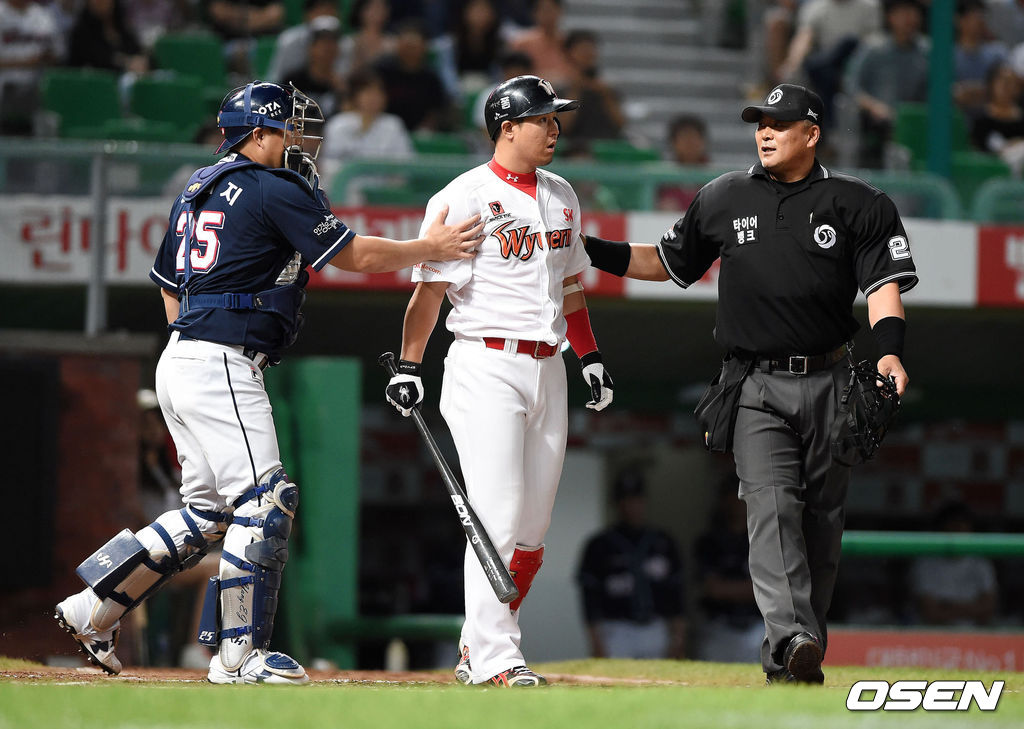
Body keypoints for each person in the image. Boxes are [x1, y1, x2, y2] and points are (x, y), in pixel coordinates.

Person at [54, 80, 484, 685]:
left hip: (182, 355)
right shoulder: (267, 186)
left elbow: (166, 285)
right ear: (257, 134)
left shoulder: (196, 186)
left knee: (207, 513)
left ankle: (92, 609)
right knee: (266, 500)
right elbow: (353, 255)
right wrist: (429, 246)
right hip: (221, 361)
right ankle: (239, 656)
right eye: (286, 131)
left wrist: (196, 341)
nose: (295, 143)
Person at [582, 83, 918, 685]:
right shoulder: (722, 196)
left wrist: (889, 353)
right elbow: (666, 261)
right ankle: (791, 637)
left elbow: (883, 288)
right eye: (758, 121)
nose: (764, 131)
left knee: (821, 523)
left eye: (779, 122)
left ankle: (796, 656)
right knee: (771, 509)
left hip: (832, 380)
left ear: (811, 134)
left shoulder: (858, 203)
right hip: (755, 384)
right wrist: (584, 249)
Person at [384, 74, 614, 687]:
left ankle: (474, 646)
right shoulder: (461, 195)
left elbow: (570, 285)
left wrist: (588, 356)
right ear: (507, 128)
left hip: (549, 365)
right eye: (543, 119)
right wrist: (410, 365)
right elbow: (428, 294)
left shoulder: (563, 194)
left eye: (556, 118)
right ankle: (496, 658)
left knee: (532, 531)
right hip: (485, 362)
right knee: (497, 515)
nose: (555, 129)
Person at [577, 471, 686, 660]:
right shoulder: (600, 544)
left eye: (636, 499)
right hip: (617, 629)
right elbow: (590, 600)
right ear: (616, 503)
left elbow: (677, 595)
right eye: (625, 500)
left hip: (655, 626)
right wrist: (596, 642)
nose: (631, 506)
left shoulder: (662, 541)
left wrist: (678, 639)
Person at [845, 0, 929, 168]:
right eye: (904, 12)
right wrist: (874, 106)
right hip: (878, 120)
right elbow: (851, 85)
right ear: (890, 17)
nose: (910, 18)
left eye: (914, 12)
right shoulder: (873, 48)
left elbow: (929, 92)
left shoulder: (926, 50)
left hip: (914, 121)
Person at [693, 477, 763, 663]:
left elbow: (773, 589)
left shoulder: (762, 539)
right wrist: (753, 589)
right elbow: (712, 589)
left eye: (742, 495)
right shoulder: (710, 541)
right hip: (719, 627)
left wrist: (731, 589)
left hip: (757, 627)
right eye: (733, 495)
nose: (738, 501)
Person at [909, 501, 999, 627]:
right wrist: (973, 607)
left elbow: (988, 610)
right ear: (942, 528)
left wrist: (948, 605)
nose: (958, 529)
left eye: (962, 524)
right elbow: (931, 612)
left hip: (973, 634)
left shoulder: (981, 564)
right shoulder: (925, 564)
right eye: (953, 524)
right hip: (934, 635)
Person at [319, 69, 414, 181]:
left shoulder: (393, 124)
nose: (374, 97)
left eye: (379, 91)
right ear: (355, 95)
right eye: (367, 91)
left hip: (383, 191)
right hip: (345, 190)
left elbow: (406, 164)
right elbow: (327, 164)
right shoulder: (338, 124)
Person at [558, 30, 626, 158]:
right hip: (573, 150)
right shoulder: (560, 89)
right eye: (582, 51)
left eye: (590, 51)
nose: (587, 55)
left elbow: (621, 124)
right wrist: (576, 89)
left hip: (607, 147)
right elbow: (563, 127)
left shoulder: (608, 90)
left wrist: (605, 95)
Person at [374, 19, 451, 132]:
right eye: (406, 46)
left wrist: (427, 127)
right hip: (383, 127)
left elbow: (437, 109)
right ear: (398, 45)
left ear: (424, 47)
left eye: (413, 47)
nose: (409, 52)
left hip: (421, 132)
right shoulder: (381, 70)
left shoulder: (431, 77)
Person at [66, 0, 148, 76]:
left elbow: (136, 50)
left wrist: (140, 61)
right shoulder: (81, 32)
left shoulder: (121, 27)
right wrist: (125, 63)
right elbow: (97, 59)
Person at [971, 62, 1024, 176]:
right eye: (1003, 82)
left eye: (1012, 83)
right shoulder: (980, 117)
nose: (1007, 87)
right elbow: (977, 149)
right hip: (990, 173)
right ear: (991, 84)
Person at [656, 114, 711, 212]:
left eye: (694, 138)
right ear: (673, 143)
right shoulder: (662, 179)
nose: (689, 144)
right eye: (684, 138)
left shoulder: (715, 177)